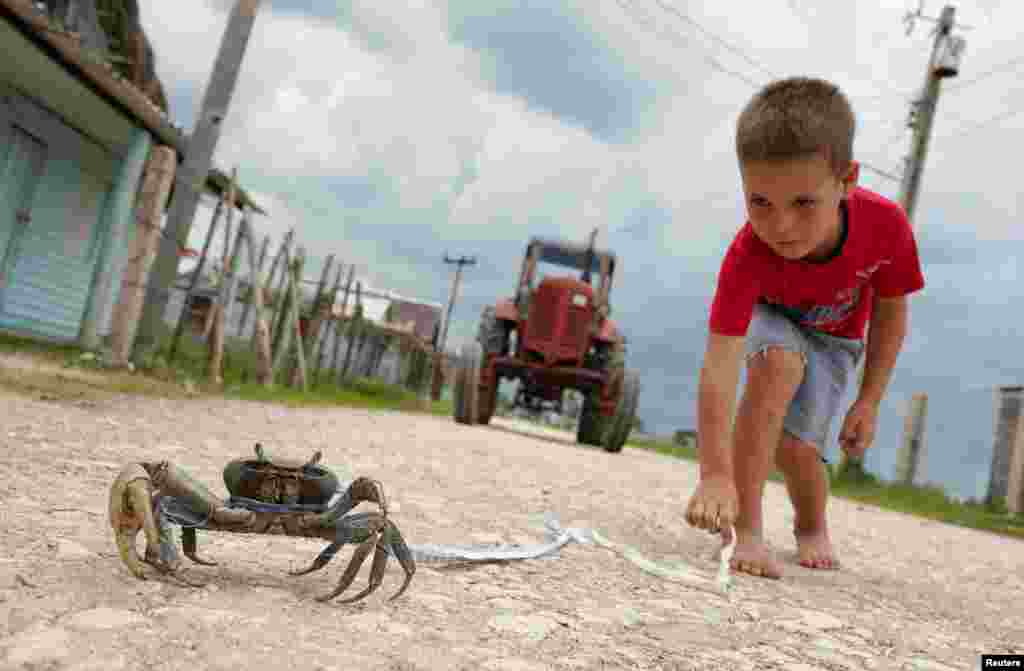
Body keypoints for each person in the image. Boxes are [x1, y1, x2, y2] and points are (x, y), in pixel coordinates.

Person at [684, 76, 925, 579]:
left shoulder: (887, 228)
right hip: (775, 320)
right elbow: (721, 363)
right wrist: (713, 473)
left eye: (804, 203)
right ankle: (745, 529)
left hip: (836, 337)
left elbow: (890, 312)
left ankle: (811, 523)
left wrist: (869, 399)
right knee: (775, 366)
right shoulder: (747, 255)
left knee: (797, 449)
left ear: (847, 180)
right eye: (759, 203)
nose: (780, 227)